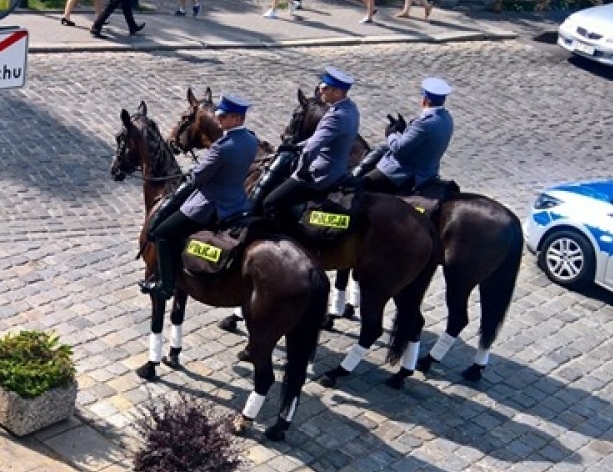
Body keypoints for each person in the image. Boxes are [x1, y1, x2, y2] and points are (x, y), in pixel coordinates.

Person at [139, 95, 260, 299]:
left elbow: (197, 178)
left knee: (162, 233)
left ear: (237, 119)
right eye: (219, 116)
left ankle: (165, 285)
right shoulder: (250, 139)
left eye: (225, 117)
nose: (219, 120)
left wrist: (178, 194)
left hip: (210, 204)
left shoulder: (221, 148)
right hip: (237, 201)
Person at [261, 68, 361, 227]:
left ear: (336, 92)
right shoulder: (350, 108)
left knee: (271, 202)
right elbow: (318, 140)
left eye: (324, 88)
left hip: (322, 173)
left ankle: (289, 237)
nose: (321, 91)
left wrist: (302, 171)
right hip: (339, 169)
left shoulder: (335, 116)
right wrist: (295, 146)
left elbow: (312, 149)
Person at [363, 77, 454, 194]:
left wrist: (391, 134)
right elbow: (422, 140)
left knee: (360, 186)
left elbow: (399, 148)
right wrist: (405, 131)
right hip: (428, 171)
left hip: (402, 174)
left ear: (425, 100)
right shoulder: (447, 118)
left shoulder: (424, 123)